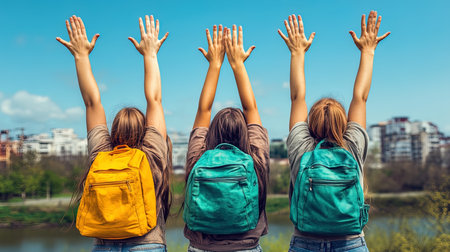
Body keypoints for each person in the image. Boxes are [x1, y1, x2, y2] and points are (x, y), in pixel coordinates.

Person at [57, 15, 172, 252]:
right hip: (146, 245)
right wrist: (150, 54)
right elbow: (155, 99)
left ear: (113, 131)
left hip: (104, 246)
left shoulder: (101, 153)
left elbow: (92, 103)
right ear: (145, 132)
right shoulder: (152, 153)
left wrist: (81, 56)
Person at [279, 11, 390, 252]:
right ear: (345, 124)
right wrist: (368, 51)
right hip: (351, 243)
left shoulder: (301, 147)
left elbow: (297, 97)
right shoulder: (353, 146)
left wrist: (297, 52)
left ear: (310, 126)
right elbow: (360, 97)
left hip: (304, 242)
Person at [183, 24, 269, 252]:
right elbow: (251, 108)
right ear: (246, 133)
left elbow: (204, 109)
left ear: (210, 134)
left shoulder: (197, 158)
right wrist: (238, 63)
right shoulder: (256, 159)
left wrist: (215, 63)